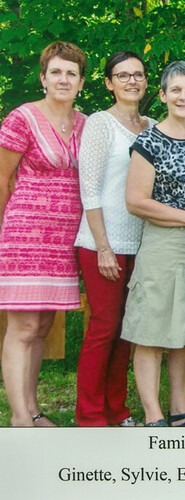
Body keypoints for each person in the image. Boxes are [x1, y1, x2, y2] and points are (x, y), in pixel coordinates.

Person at [122, 61, 185, 427]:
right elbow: (136, 201)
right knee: (151, 330)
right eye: (175, 89)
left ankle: (180, 409)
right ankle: (153, 415)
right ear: (161, 95)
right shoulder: (149, 141)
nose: (183, 96)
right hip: (163, 244)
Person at [0, 41, 86, 427]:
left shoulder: (86, 123)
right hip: (24, 234)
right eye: (56, 72)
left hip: (65, 239)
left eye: (70, 73)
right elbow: (2, 180)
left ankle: (33, 410)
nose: (63, 79)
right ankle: (19, 417)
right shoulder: (22, 118)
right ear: (43, 78)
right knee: (24, 327)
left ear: (81, 82)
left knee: (45, 326)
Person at [74, 51, 156, 427]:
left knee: (128, 329)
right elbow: (89, 190)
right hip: (101, 244)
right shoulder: (99, 124)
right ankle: (90, 416)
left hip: (142, 244)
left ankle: (117, 410)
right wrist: (103, 247)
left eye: (137, 75)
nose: (131, 81)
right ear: (109, 83)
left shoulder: (153, 126)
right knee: (104, 327)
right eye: (122, 75)